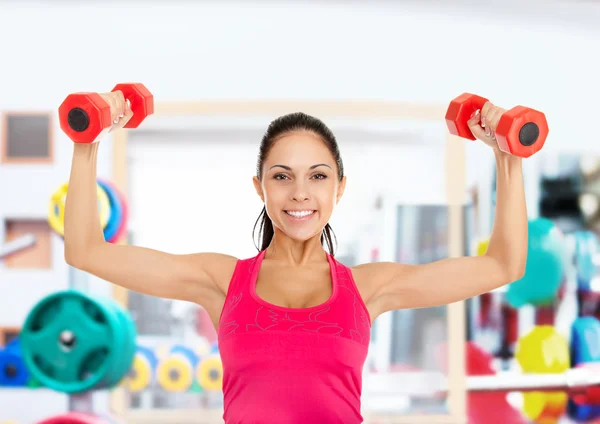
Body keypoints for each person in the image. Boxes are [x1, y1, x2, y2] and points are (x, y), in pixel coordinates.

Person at [64, 92, 527, 424]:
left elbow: (503, 265)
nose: (300, 193)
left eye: (318, 176)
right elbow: (86, 249)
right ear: (259, 187)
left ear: (339, 188)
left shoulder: (369, 288)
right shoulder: (222, 281)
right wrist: (89, 142)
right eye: (282, 176)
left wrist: (508, 158)